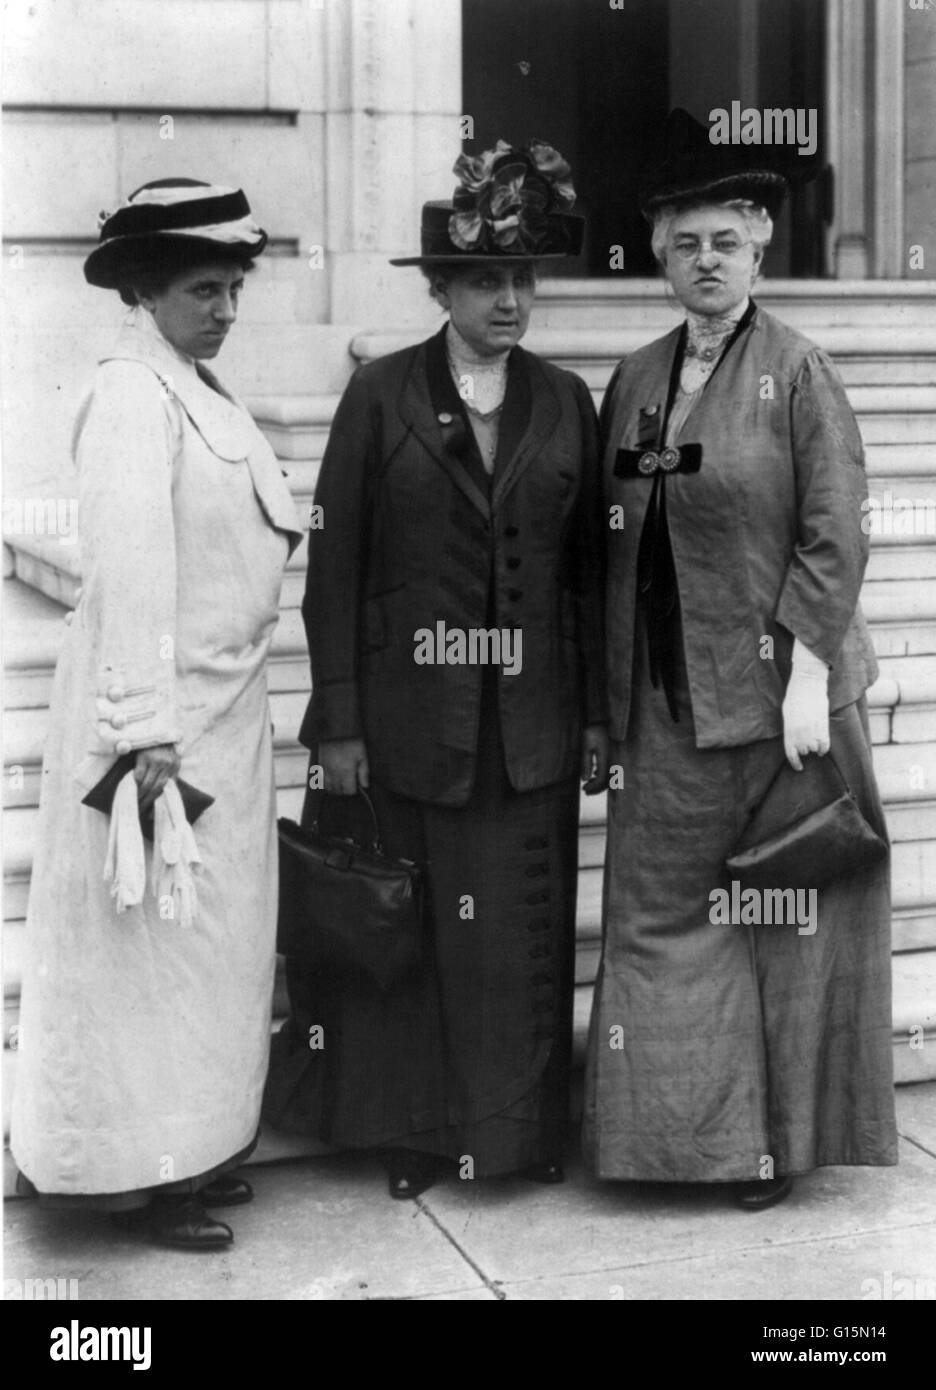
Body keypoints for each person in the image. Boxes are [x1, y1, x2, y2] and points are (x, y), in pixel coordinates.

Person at [264, 140, 609, 1198]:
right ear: (442, 288)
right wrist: (342, 722)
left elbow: (589, 576)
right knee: (420, 936)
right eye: (485, 281)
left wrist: (596, 716)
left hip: (534, 724)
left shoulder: (566, 401)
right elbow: (335, 564)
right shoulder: (381, 397)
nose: (510, 300)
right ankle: (418, 1138)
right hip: (415, 721)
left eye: (522, 281)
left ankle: (520, 1135)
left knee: (518, 937)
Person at [584, 111, 898, 1209]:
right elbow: (606, 541)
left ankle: (772, 1147)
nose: (705, 261)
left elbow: (837, 525)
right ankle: (665, 1143)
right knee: (662, 921)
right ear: (659, 255)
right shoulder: (631, 380)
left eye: (725, 240)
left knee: (778, 925)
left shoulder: (801, 373)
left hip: (781, 707)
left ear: (760, 245)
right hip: (665, 711)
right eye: (684, 244)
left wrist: (810, 670)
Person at [11, 179, 303, 1248]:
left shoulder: (197, 386)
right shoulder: (133, 393)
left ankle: (198, 1148)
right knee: (154, 952)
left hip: (222, 711)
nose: (224, 305)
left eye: (233, 285)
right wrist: (144, 734)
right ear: (141, 288)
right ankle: (135, 1178)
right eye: (200, 286)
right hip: (160, 728)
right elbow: (129, 570)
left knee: (211, 953)